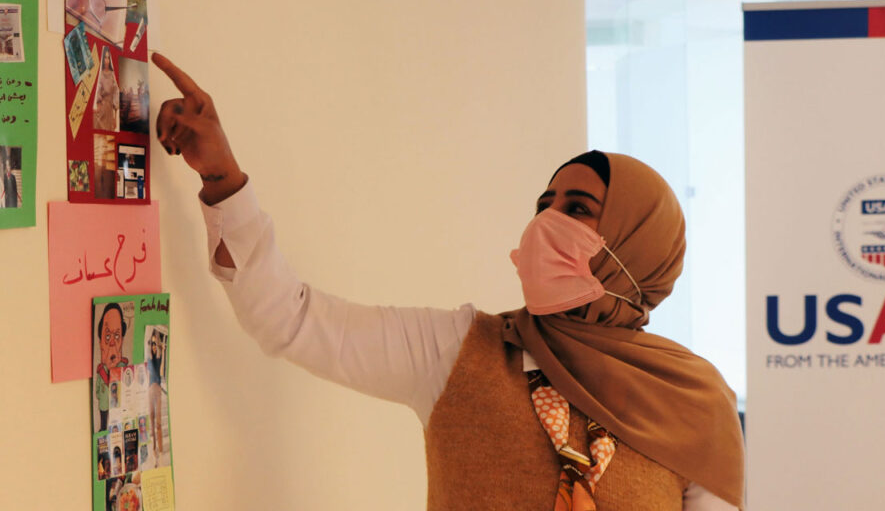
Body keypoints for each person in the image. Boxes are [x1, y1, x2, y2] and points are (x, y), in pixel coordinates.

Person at [152, 53, 745, 510]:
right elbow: (291, 318)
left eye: (578, 209)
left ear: (635, 248)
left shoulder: (693, 403)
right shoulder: (460, 350)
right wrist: (223, 177)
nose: (547, 221)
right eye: (546, 202)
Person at [96, 303, 129, 432]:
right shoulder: (100, 371)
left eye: (117, 336)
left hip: (116, 408)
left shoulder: (124, 369)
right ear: (100, 344)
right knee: (104, 421)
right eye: (108, 336)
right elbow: (98, 388)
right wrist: (100, 395)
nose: (112, 343)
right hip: (103, 404)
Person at [147, 331, 165, 464]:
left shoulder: (158, 359)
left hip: (157, 390)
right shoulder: (149, 359)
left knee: (158, 422)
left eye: (155, 344)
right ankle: (154, 449)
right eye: (152, 344)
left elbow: (160, 371)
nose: (154, 346)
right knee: (152, 423)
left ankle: (161, 448)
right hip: (149, 391)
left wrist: (162, 350)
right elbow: (148, 348)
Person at [94, 46, 120, 132]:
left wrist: (115, 117)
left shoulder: (112, 75)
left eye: (108, 58)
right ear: (102, 59)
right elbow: (98, 91)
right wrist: (98, 106)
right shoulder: (100, 75)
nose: (107, 60)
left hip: (110, 111)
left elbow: (116, 93)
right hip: (102, 109)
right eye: (105, 58)